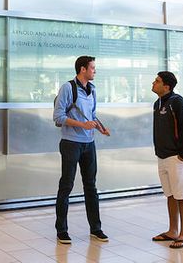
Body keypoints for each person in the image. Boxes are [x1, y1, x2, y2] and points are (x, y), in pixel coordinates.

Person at [53, 55, 111, 244]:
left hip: (89, 144)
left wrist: (100, 127)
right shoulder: (67, 88)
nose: (95, 71)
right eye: (93, 68)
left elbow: (92, 114)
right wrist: (82, 125)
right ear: (82, 69)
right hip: (71, 143)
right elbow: (58, 116)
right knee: (67, 185)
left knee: (91, 186)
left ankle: (96, 228)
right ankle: (61, 230)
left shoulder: (92, 90)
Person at [151, 71, 183, 249]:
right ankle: (172, 231)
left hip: (176, 157)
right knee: (170, 195)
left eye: (157, 81)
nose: (153, 83)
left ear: (166, 86)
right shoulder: (158, 103)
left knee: (182, 195)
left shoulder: (177, 102)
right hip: (162, 155)